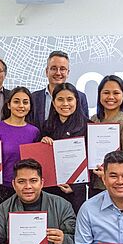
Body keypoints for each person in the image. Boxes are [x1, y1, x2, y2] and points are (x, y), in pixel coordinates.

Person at [0, 86, 40, 216]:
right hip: (2, 190)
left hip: (28, 191)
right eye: (16, 101)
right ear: (9, 105)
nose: (21, 106)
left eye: (25, 102)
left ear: (30, 106)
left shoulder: (35, 131)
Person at [40, 83, 90, 214]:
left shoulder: (88, 126)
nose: (65, 104)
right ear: (54, 102)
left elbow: (93, 162)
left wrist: (76, 187)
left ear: (77, 101)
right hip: (51, 191)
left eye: (70, 99)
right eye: (60, 99)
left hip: (75, 192)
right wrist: (42, 143)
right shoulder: (46, 126)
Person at [90, 75, 123, 197]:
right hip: (96, 186)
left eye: (116, 93)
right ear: (99, 95)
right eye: (106, 92)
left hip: (118, 187)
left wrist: (109, 173)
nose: (110, 97)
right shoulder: (94, 120)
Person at [28, 50, 89, 132]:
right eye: (53, 68)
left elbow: (85, 128)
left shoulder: (80, 97)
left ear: (68, 73)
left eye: (62, 69)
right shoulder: (34, 98)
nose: (58, 73)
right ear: (46, 72)